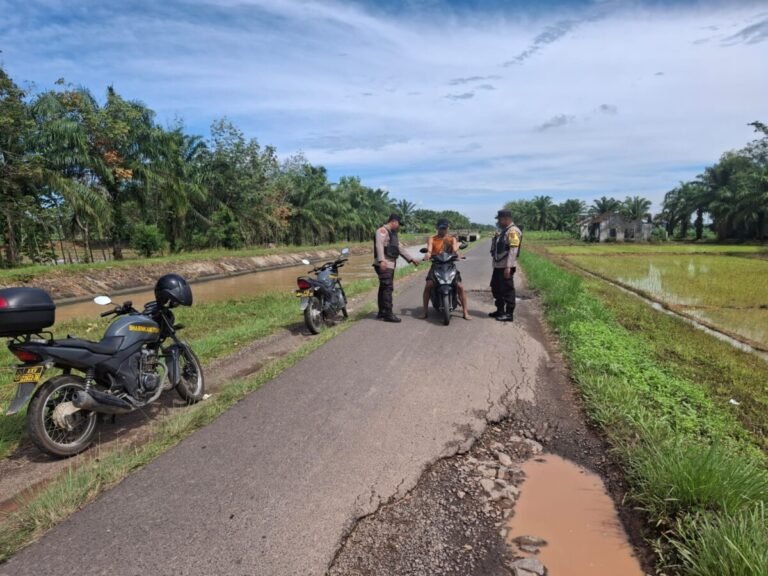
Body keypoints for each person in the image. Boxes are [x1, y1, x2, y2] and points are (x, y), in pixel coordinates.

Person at [421, 219, 470, 320]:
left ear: (447, 228)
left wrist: (458, 253)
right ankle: (425, 312)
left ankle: (465, 312)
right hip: (436, 265)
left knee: (460, 286)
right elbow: (429, 249)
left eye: (445, 228)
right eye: (441, 228)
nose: (443, 230)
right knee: (428, 285)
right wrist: (427, 254)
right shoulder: (432, 239)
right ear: (437, 228)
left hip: (449, 265)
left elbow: (455, 249)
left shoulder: (451, 239)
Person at [373, 214, 419, 323]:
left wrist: (411, 259)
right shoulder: (382, 231)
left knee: (384, 288)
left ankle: (382, 312)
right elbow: (379, 245)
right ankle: (388, 314)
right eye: (398, 224)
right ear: (393, 221)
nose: (399, 227)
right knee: (388, 288)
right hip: (384, 264)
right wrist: (381, 260)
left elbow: (399, 248)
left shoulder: (393, 234)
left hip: (390, 264)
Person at [490, 209, 522, 322]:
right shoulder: (504, 230)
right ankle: (500, 310)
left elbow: (513, 250)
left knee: (507, 290)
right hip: (499, 266)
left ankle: (509, 314)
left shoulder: (513, 231)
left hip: (505, 266)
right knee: (496, 288)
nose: (498, 221)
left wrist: (508, 266)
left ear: (506, 219)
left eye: (500, 219)